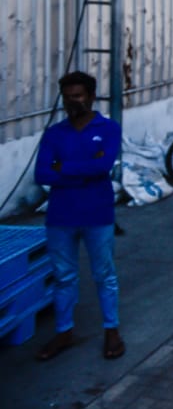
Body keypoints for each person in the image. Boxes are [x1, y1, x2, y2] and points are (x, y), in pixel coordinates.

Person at [33, 71, 126, 362]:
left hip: (98, 213)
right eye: (67, 97)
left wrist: (63, 167)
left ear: (91, 96)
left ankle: (111, 330)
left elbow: (104, 166)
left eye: (78, 96)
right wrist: (86, 169)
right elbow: (41, 174)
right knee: (63, 277)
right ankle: (64, 332)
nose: (72, 102)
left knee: (104, 275)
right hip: (61, 216)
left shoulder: (108, 128)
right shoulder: (54, 133)